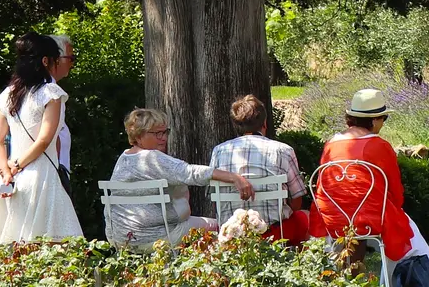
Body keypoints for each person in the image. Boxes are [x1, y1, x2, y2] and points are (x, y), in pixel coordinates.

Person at [316, 88, 429, 282]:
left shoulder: (330, 144)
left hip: (333, 218)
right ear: (373, 120)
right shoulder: (379, 146)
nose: (383, 124)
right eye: (384, 119)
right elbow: (396, 193)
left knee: (368, 227)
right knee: (409, 231)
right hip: (369, 219)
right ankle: (425, 282)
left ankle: (348, 279)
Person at [0, 32, 83, 243]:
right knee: (58, 246)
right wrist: (18, 165)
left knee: (15, 247)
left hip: (11, 179)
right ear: (46, 61)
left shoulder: (8, 93)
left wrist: (6, 170)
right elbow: (44, 139)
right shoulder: (51, 92)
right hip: (41, 174)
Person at [105, 108, 254, 250]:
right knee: (219, 226)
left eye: (165, 132)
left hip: (119, 237)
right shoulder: (153, 158)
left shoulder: (123, 159)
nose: (163, 138)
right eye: (157, 133)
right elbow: (191, 172)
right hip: (160, 236)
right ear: (138, 136)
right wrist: (234, 177)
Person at [210, 94, 312, 242]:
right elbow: (297, 200)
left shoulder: (219, 151)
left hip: (232, 235)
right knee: (305, 217)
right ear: (264, 122)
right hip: (276, 234)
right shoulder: (282, 151)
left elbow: (215, 198)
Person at [49, 35, 77, 185]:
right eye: (71, 58)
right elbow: (50, 138)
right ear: (56, 59)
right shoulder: (50, 92)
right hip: (51, 174)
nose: (72, 63)